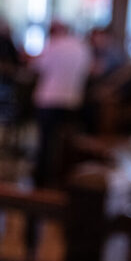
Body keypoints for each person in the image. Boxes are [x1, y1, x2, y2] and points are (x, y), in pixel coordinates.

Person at [31, 21, 92, 188]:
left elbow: (37, 67)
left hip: (49, 99)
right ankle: (63, 179)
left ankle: (42, 179)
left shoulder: (54, 44)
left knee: (46, 141)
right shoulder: (82, 47)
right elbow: (87, 71)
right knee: (66, 143)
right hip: (72, 101)